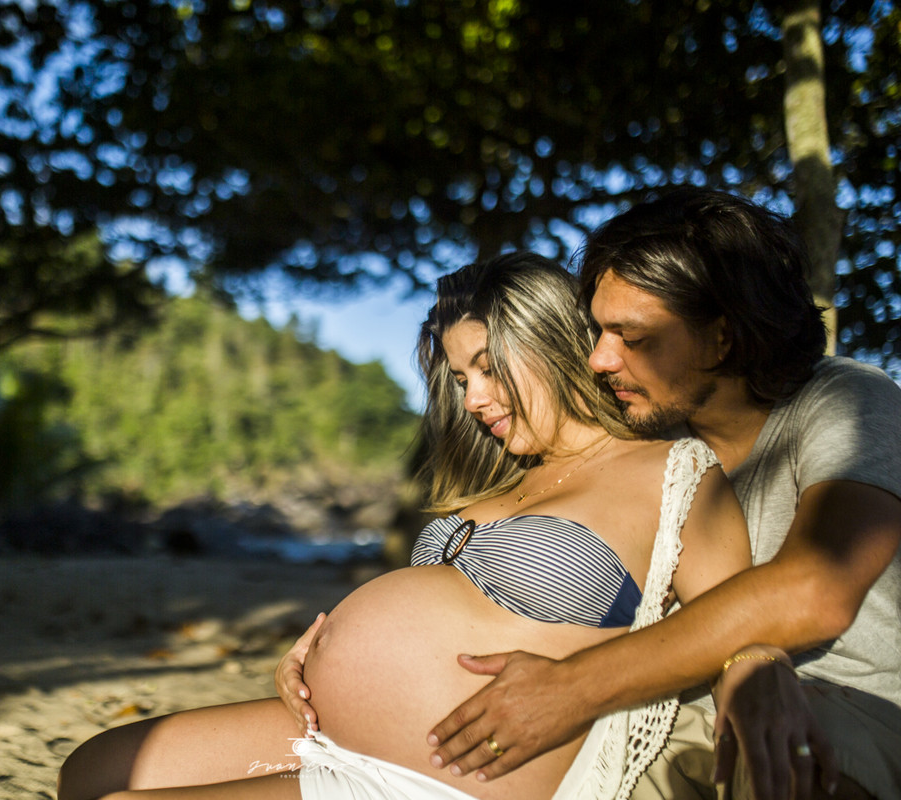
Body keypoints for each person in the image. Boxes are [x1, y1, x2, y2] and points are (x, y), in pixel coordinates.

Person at [58, 253, 762, 800]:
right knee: (90, 770)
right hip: (333, 732)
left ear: (552, 343)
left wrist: (761, 690)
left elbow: (739, 623)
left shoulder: (671, 471)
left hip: (450, 776)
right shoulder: (498, 481)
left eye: (489, 369)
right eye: (460, 380)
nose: (476, 399)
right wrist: (315, 662)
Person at [422, 189, 901, 800]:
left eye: (632, 336)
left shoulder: (846, 401)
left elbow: (816, 587)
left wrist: (571, 686)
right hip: (666, 708)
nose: (598, 358)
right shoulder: (654, 441)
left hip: (841, 705)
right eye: (599, 329)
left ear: (721, 338)